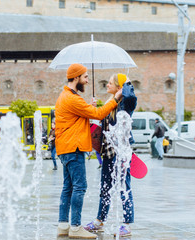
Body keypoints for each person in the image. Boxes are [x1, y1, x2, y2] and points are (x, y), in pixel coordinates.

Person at [55, 63, 123, 239]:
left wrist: (89, 107)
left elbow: (82, 115)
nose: (86, 80)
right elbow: (99, 114)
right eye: (85, 77)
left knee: (67, 187)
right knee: (79, 187)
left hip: (65, 148)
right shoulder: (72, 98)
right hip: (74, 148)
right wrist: (115, 99)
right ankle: (76, 227)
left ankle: (63, 225)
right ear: (76, 77)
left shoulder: (66, 96)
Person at [84, 73, 137, 237]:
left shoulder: (126, 104)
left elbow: (131, 94)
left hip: (121, 154)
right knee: (105, 188)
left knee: (124, 188)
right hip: (107, 153)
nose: (107, 85)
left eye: (110, 83)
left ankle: (127, 224)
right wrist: (93, 108)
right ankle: (99, 221)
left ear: (118, 87)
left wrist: (125, 85)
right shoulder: (111, 103)